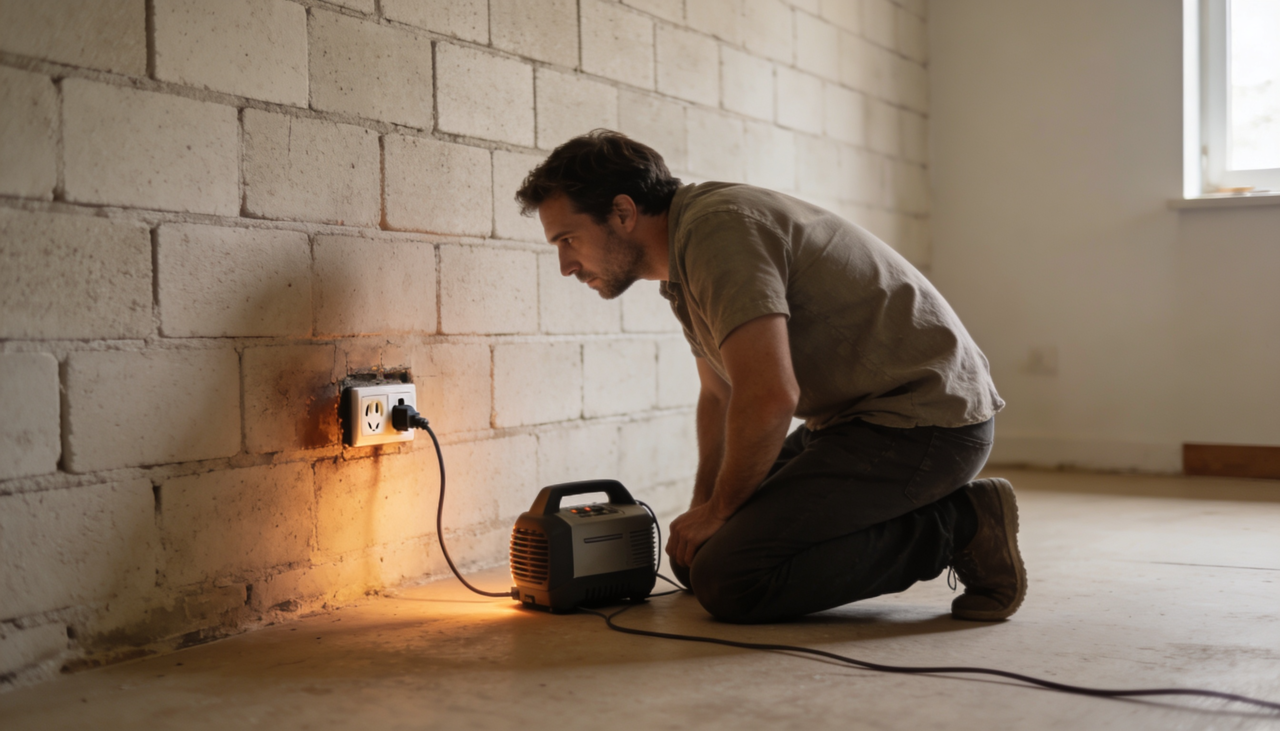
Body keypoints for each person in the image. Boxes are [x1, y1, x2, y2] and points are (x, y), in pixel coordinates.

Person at [515, 130, 1025, 624]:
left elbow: (770, 397)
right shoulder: (683, 263)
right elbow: (719, 394)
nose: (565, 265)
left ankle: (961, 524)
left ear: (623, 213)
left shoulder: (718, 232)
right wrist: (705, 506)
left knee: (732, 580)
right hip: (856, 425)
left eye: (568, 239)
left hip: (927, 425)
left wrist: (721, 511)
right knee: (694, 561)